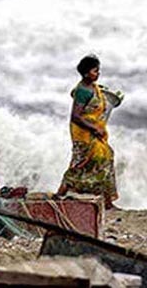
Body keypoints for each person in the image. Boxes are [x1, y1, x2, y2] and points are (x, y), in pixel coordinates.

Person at [57, 55, 122, 209]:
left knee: (106, 158)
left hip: (95, 132)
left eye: (98, 70)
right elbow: (76, 116)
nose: (98, 74)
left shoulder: (94, 88)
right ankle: (60, 193)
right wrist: (94, 128)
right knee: (79, 164)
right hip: (83, 134)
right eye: (95, 71)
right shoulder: (82, 91)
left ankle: (107, 201)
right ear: (86, 73)